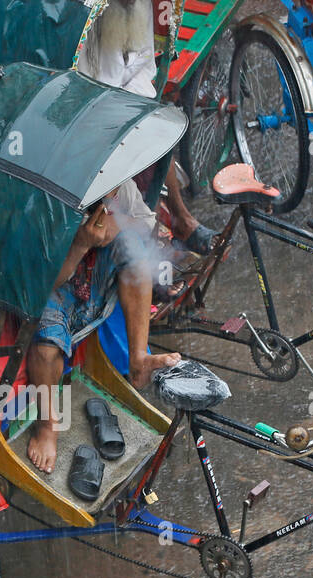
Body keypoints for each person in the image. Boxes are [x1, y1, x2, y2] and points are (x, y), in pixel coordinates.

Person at [25, 180, 181, 473]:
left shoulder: (115, 178)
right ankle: (47, 426)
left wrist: (116, 227)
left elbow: (147, 223)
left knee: (134, 248)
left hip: (93, 283)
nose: (112, 194)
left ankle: (138, 360)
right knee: (47, 352)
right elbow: (38, 285)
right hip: (51, 288)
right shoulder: (45, 196)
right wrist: (81, 244)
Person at [76, 0, 216, 252]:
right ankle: (148, 238)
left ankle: (179, 217)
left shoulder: (143, 6)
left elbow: (143, 69)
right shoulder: (85, 19)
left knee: (159, 126)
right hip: (89, 123)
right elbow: (86, 93)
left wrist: (139, 115)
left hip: (129, 108)